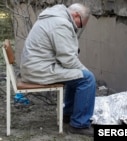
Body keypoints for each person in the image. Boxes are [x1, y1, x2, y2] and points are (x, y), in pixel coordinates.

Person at [19, 3, 96, 136]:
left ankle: (68, 114)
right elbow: (67, 59)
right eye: (81, 24)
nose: (79, 27)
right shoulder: (61, 24)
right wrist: (86, 71)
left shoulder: (53, 17)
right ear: (76, 15)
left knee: (77, 75)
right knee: (87, 79)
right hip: (38, 70)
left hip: (34, 67)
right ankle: (79, 124)